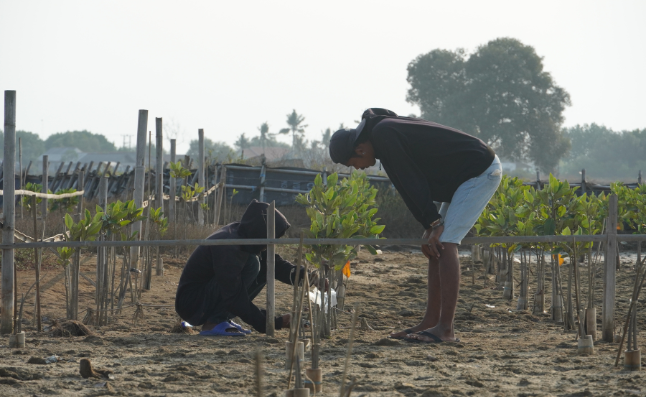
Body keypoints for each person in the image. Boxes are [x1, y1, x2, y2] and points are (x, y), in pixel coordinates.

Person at [329, 108, 501, 343]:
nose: (358, 168)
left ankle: (446, 330)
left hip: (479, 171)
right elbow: (405, 185)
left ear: (359, 149)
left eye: (353, 163)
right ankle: (431, 322)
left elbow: (412, 179)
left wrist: (434, 222)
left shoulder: (384, 133)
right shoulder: (381, 137)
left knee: (447, 242)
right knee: (433, 243)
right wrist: (429, 225)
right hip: (461, 177)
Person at [175, 199, 313, 336]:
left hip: (205, 298)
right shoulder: (230, 246)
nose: (271, 244)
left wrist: (310, 277)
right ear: (261, 231)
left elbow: (275, 264)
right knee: (253, 264)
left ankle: (221, 317)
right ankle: (214, 322)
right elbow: (234, 294)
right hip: (192, 304)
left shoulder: (246, 235)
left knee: (265, 265)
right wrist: (273, 322)